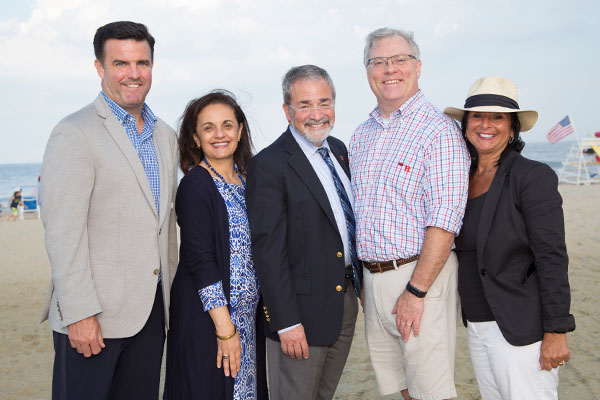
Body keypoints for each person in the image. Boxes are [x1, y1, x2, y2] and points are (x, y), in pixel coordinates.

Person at [40, 21, 178, 399]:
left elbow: (162, 225)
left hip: (151, 313)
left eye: (142, 63)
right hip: (93, 319)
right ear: (100, 67)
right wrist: (80, 313)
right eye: (121, 63)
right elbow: (62, 231)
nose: (133, 74)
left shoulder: (165, 134)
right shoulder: (74, 132)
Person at [349, 28, 470, 400]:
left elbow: (445, 220)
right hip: (373, 282)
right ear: (367, 71)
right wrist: (364, 286)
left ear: (417, 67)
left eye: (399, 59)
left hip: (420, 278)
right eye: (379, 62)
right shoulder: (361, 135)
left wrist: (416, 291)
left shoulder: (439, 131)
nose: (389, 69)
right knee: (400, 388)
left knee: (430, 391)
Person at [444, 76, 576, 399]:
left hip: (521, 330)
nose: (485, 124)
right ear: (465, 124)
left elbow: (552, 257)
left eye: (497, 117)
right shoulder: (460, 178)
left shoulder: (532, 177)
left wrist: (556, 330)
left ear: (513, 127)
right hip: (476, 326)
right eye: (477, 115)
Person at [246, 65, 361, 400]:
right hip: (301, 314)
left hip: (344, 303)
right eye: (305, 105)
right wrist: (285, 321)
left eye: (324, 103)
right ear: (287, 110)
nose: (316, 114)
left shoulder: (338, 150)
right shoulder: (269, 165)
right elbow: (268, 252)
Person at [165, 90, 267, 400]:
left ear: (239, 130)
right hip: (209, 322)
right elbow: (200, 261)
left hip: (247, 320)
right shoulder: (195, 185)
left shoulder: (250, 180)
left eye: (227, 125)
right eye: (208, 127)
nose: (219, 134)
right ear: (195, 138)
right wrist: (225, 331)